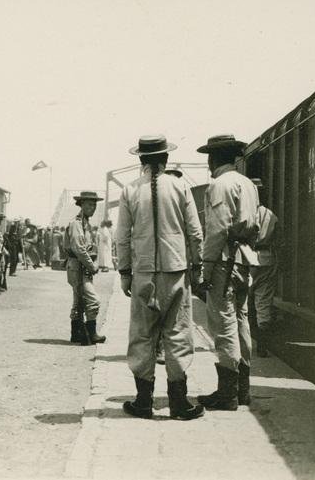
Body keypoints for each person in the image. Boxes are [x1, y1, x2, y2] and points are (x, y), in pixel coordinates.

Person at [116, 135, 204, 420]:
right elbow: (195, 232)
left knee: (142, 335)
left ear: (141, 160)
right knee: (177, 333)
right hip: (175, 271)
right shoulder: (180, 187)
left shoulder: (130, 190)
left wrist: (125, 272)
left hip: (143, 272)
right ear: (165, 159)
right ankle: (179, 402)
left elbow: (122, 237)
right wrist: (197, 265)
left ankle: (143, 401)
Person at [196, 134, 260, 410]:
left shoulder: (219, 185)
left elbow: (218, 230)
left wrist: (205, 269)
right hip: (246, 259)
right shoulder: (247, 184)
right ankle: (243, 389)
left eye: (209, 157)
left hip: (224, 260)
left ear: (215, 158)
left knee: (223, 325)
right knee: (241, 320)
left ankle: (228, 393)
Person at [64, 191, 106, 346]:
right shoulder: (76, 223)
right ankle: (91, 333)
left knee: (78, 301)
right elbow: (79, 248)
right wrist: (92, 265)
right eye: (89, 204)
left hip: (80, 266)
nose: (93, 207)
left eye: (94, 204)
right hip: (78, 266)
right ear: (81, 205)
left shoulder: (85, 223)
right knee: (93, 300)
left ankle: (76, 333)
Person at [249, 178, 280, 358]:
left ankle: (244, 341)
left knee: (243, 302)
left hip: (247, 258)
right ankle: (262, 345)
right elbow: (279, 241)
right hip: (267, 260)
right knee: (263, 303)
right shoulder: (271, 215)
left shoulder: (244, 213)